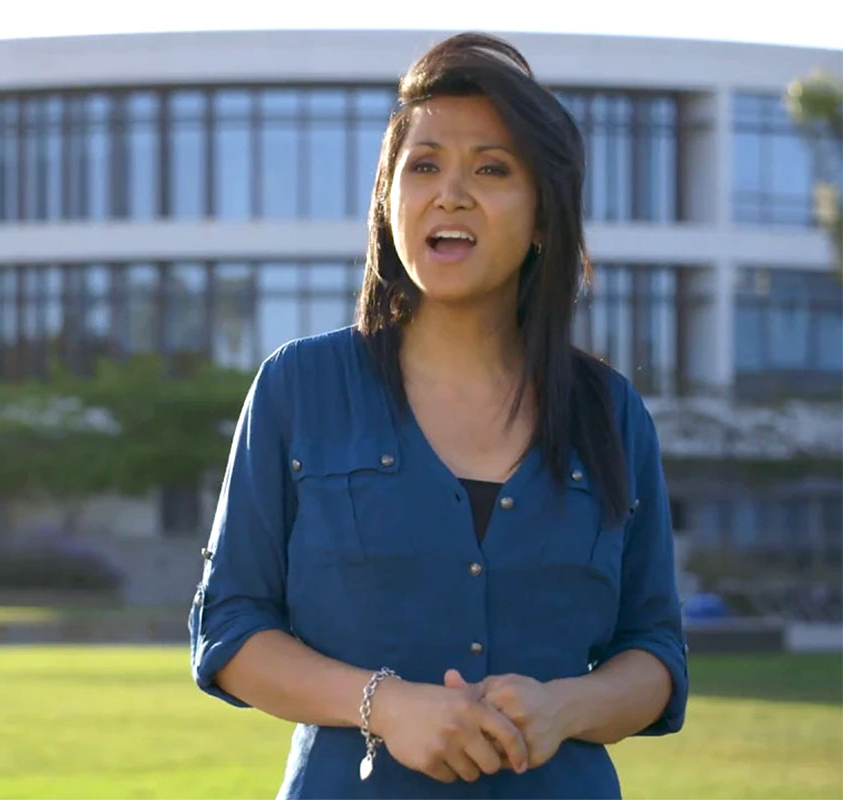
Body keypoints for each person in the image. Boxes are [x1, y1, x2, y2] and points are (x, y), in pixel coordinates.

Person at [188, 31, 688, 799]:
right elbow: (229, 629)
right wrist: (385, 705)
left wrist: (565, 707)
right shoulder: (299, 387)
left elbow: (654, 652)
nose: (450, 192)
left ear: (546, 218)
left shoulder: (611, 413)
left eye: (491, 168)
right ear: (389, 202)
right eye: (423, 166)